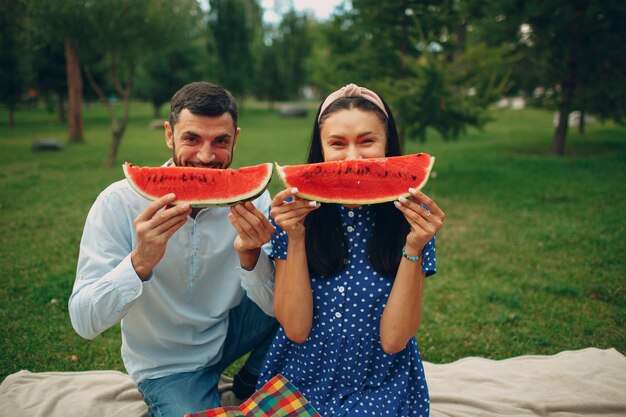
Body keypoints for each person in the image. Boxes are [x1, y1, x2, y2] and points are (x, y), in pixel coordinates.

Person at [69, 82, 278, 417]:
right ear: (169, 134)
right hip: (167, 364)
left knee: (309, 293)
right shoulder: (119, 203)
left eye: (221, 141)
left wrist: (252, 258)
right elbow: (84, 320)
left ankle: (248, 381)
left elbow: (275, 305)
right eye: (192, 139)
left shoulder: (252, 199)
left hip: (228, 331)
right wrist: (139, 262)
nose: (207, 157)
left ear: (235, 138)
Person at [255, 84, 445, 416]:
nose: (354, 159)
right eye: (338, 144)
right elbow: (296, 329)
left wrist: (414, 245)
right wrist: (296, 237)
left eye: (367, 141)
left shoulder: (412, 222)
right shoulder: (292, 215)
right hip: (301, 378)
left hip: (381, 384)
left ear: (389, 145)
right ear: (321, 150)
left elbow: (394, 341)